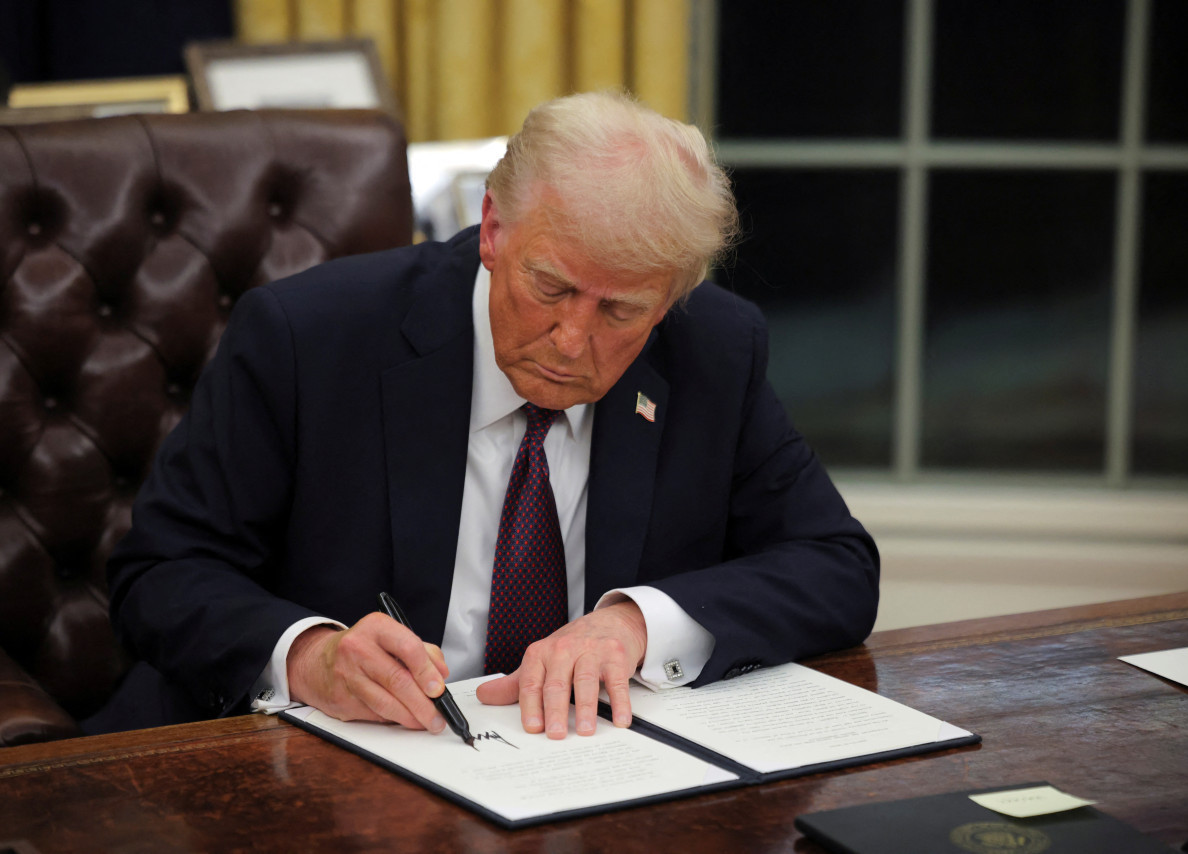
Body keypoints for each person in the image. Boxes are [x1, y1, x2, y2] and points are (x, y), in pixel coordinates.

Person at [95, 92, 879, 741]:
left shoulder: (712, 350)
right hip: (328, 773)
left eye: (621, 311)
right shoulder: (308, 339)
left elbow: (835, 565)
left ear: (671, 299)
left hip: (588, 778)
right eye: (551, 288)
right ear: (494, 228)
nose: (573, 341)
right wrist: (310, 657)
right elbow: (159, 572)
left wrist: (637, 626)